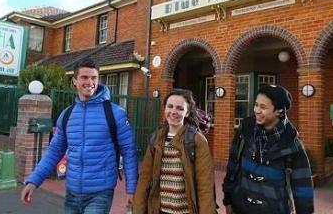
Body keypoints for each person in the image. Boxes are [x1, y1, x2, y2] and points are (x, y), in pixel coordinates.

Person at [20, 58, 138, 214]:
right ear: (74, 81)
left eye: (94, 77)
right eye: (84, 77)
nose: (90, 82)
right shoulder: (67, 115)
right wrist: (34, 180)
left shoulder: (115, 113)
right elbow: (54, 151)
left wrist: (131, 189)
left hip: (101, 192)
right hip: (72, 192)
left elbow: (129, 152)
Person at [222, 85, 314, 214]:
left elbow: (303, 189)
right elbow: (232, 168)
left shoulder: (292, 145)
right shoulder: (245, 131)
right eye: (256, 105)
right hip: (240, 207)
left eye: (263, 107)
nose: (257, 110)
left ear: (279, 111)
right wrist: (228, 200)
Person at [133, 88, 216, 214]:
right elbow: (145, 179)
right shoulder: (156, 138)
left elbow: (205, 186)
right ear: (165, 109)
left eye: (180, 108)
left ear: (187, 113)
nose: (173, 112)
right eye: (170, 106)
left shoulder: (197, 140)